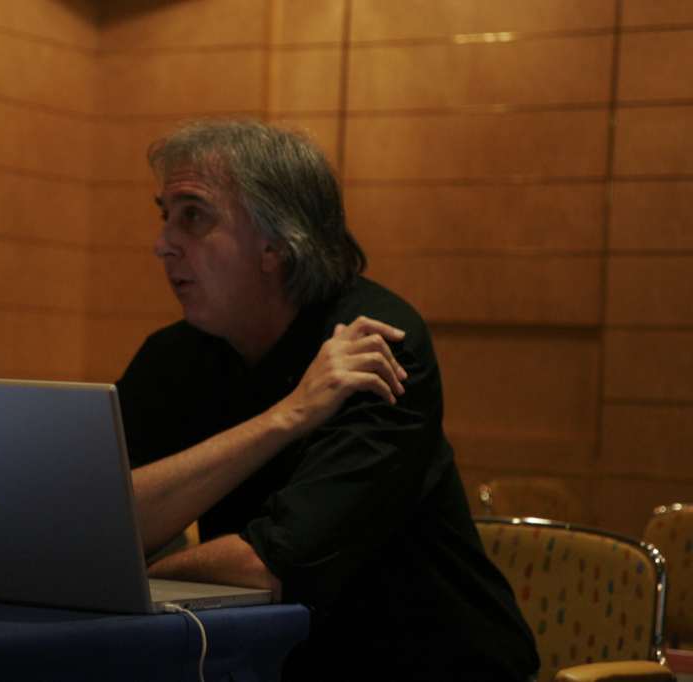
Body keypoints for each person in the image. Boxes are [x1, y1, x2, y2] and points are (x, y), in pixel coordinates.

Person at [115, 120, 538, 680]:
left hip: (438, 667)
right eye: (165, 215)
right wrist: (286, 417)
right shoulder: (175, 355)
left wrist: (127, 577)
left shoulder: (375, 345)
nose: (163, 243)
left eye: (193, 215)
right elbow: (105, 524)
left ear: (275, 243)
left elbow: (271, 564)